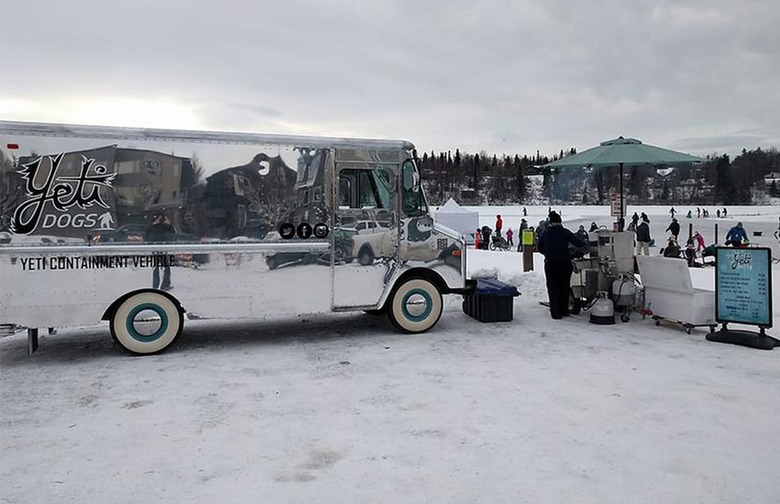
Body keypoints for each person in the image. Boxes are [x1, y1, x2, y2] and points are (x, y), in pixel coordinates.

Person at [537, 211, 586, 320]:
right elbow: (579, 243)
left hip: (550, 263)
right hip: (564, 263)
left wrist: (548, 253)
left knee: (553, 287)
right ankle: (564, 310)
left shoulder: (546, 233)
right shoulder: (565, 232)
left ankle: (555, 312)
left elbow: (539, 247)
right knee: (564, 286)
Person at [146, 211, 175, 291]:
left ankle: (165, 285)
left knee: (166, 267)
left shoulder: (165, 226)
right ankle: (155, 285)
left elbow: (173, 232)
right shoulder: (152, 226)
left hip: (164, 248)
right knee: (156, 268)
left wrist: (169, 224)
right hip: (155, 249)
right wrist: (154, 224)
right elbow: (147, 234)